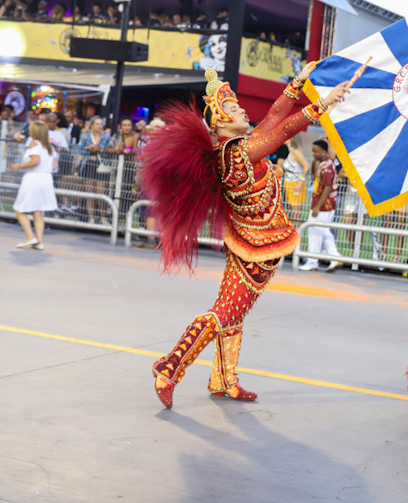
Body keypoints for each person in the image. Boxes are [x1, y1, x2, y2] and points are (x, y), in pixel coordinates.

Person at [142, 66, 350, 409]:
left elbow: (273, 117)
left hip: (254, 243)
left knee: (234, 313)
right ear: (221, 123)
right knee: (223, 314)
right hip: (254, 247)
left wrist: (297, 83)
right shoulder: (235, 153)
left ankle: (224, 379)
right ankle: (169, 367)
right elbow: (282, 128)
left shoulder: (242, 146)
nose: (244, 111)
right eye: (236, 110)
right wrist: (322, 104)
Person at [11, 121, 58, 250]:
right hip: (46, 180)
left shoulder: (34, 143)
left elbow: (36, 161)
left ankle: (30, 236)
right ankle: (40, 241)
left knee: (19, 209)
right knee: (38, 212)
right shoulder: (50, 147)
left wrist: (19, 166)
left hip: (33, 179)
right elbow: (54, 166)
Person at [298, 140, 344, 272]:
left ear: (324, 152)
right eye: (312, 151)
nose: (313, 154)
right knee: (319, 231)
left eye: (315, 151)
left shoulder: (328, 167)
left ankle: (320, 260)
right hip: (321, 203)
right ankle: (328, 259)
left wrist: (318, 206)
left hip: (324, 204)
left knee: (318, 230)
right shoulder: (322, 164)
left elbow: (327, 187)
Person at [78, 116, 112, 224]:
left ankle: (103, 217)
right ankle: (91, 218)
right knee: (90, 193)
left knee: (101, 193)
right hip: (89, 164)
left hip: (102, 165)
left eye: (101, 124)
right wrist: (89, 149)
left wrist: (100, 149)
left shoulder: (107, 137)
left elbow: (110, 151)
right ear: (92, 125)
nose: (99, 126)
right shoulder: (85, 137)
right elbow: (81, 151)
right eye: (97, 124)